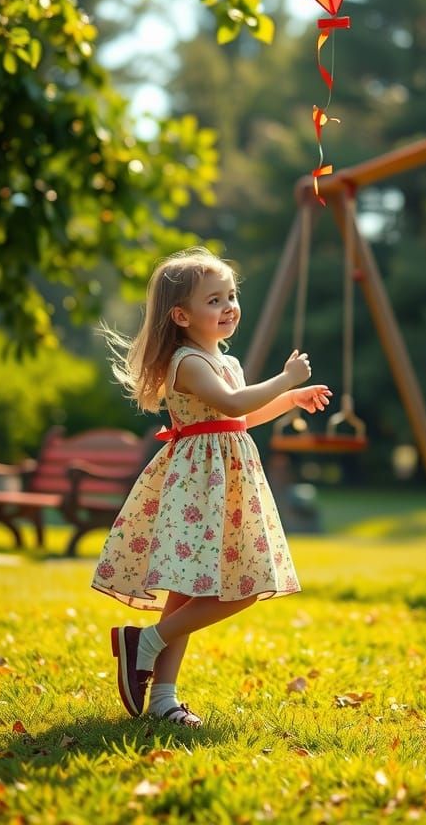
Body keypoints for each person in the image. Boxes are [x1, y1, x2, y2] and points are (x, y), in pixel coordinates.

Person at [91, 247, 331, 727]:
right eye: (215, 300)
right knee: (244, 584)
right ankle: (145, 641)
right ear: (181, 315)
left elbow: (242, 415)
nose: (229, 307)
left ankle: (163, 699)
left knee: (187, 591)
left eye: (231, 296)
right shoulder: (188, 362)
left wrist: (289, 398)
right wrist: (285, 376)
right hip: (199, 484)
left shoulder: (227, 360)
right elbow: (228, 402)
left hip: (227, 480)